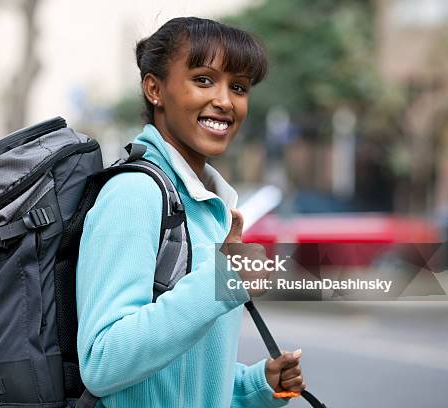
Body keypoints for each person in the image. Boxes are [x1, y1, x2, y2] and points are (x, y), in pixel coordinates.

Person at [76, 16, 305, 407]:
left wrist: (257, 386)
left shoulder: (207, 208)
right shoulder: (134, 195)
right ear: (155, 89)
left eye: (238, 87)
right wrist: (222, 280)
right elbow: (103, 363)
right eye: (203, 80)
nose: (224, 100)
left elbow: (178, 376)